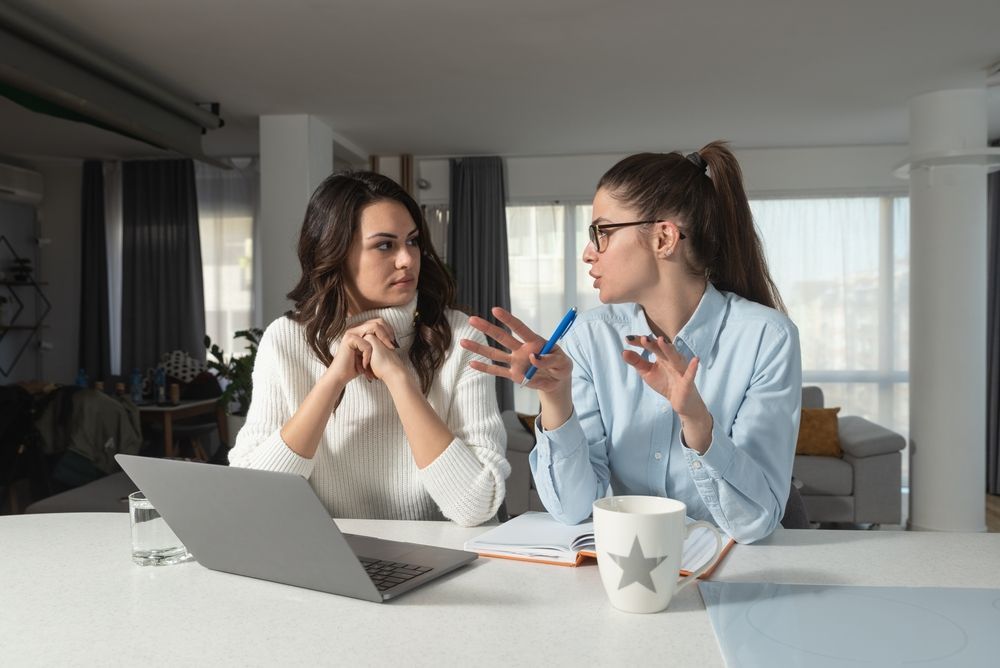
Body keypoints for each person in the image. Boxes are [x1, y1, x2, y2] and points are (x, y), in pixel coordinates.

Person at [462, 142, 801, 543]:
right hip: (634, 566)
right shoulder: (590, 337)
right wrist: (555, 398)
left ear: (663, 239)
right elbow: (572, 509)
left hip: (739, 575)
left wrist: (698, 424)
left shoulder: (767, 337)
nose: (588, 253)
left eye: (601, 232)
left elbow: (756, 523)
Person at [228, 171, 508, 527]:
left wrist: (399, 378)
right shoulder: (284, 340)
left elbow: (477, 506)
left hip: (439, 559)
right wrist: (333, 381)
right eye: (385, 245)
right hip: (327, 558)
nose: (408, 259)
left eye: (413, 241)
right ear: (335, 253)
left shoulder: (460, 338)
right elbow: (252, 499)